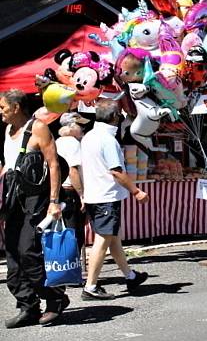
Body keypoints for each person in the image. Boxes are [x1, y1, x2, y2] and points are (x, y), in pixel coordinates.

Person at [0, 90, 68, 327]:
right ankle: (27, 305)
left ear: (16, 107)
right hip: (12, 198)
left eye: (3, 107)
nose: (0, 112)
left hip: (35, 199)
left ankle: (55, 299)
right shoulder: (6, 131)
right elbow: (7, 166)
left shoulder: (37, 128)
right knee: (12, 252)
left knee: (28, 250)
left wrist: (53, 202)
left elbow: (53, 164)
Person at [81, 99, 150, 300]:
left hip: (96, 194)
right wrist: (136, 191)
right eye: (119, 115)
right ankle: (91, 287)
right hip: (106, 195)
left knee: (112, 239)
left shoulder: (89, 136)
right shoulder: (107, 140)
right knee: (103, 241)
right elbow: (117, 172)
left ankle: (130, 276)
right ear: (114, 117)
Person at [56, 112, 91, 258]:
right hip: (70, 191)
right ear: (71, 127)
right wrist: (82, 195)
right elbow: (73, 170)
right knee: (74, 233)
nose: (82, 129)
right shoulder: (72, 143)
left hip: (59, 190)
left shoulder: (57, 142)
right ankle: (72, 269)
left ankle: (67, 266)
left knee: (64, 231)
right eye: (79, 125)